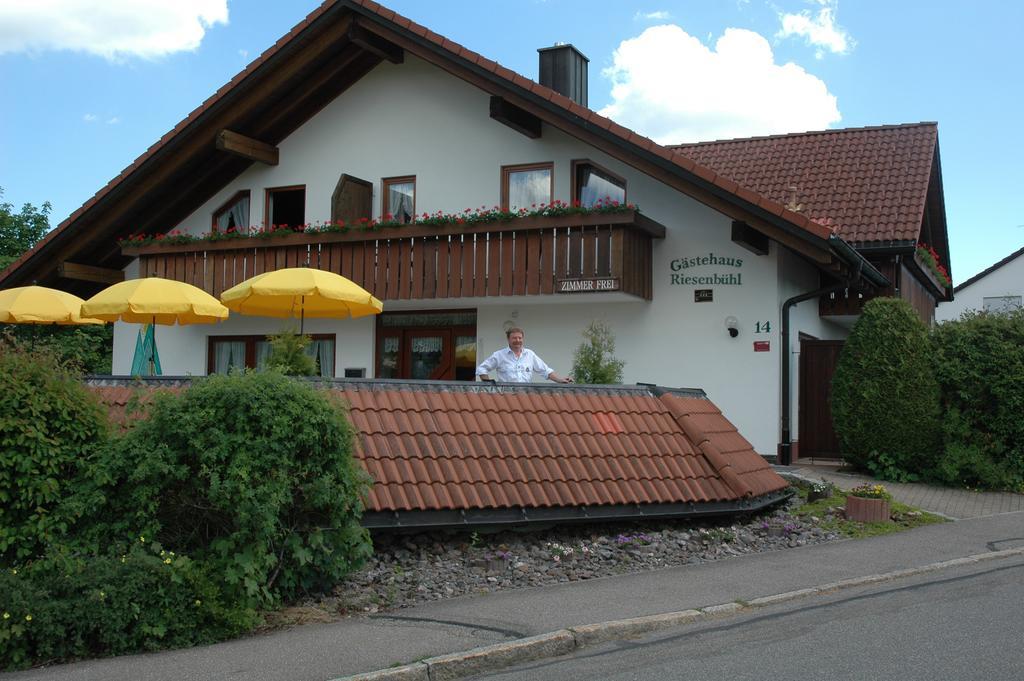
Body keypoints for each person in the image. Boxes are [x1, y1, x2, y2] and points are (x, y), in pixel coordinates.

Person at [476, 327, 573, 383]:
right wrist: (488, 385)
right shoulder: (499, 355)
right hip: (505, 397)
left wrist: (560, 380)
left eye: (520, 338)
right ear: (508, 339)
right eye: (514, 338)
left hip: (525, 396)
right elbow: (481, 369)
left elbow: (546, 371)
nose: (517, 340)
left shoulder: (530, 355)